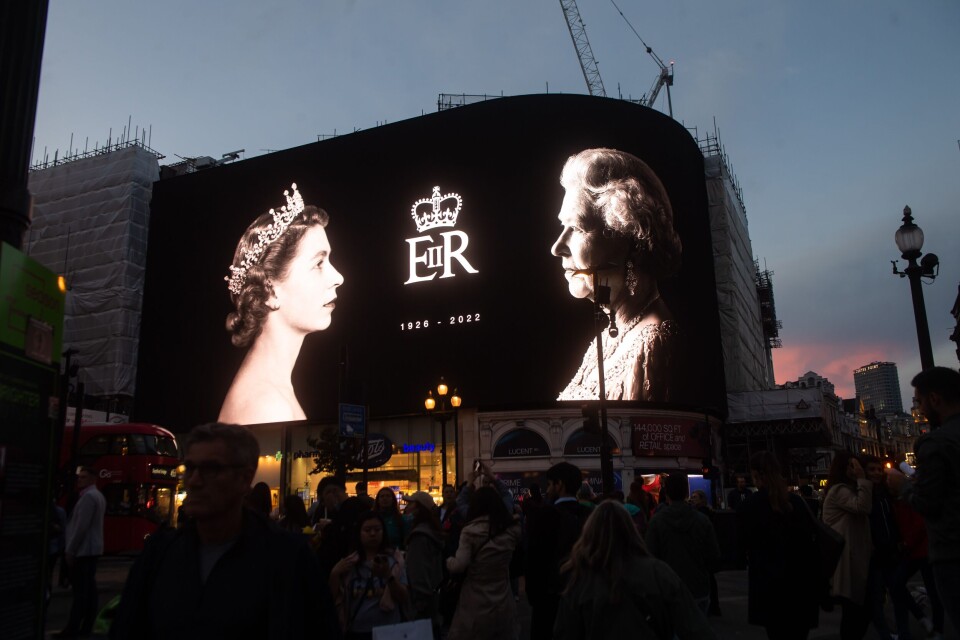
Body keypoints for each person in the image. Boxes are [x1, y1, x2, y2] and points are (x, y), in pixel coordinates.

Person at [110, 423, 338, 639]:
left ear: (245, 478)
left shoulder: (289, 557)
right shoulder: (158, 554)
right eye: (189, 468)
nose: (194, 481)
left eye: (211, 469)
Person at [550, 147, 682, 402]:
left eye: (576, 228)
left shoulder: (653, 342)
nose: (556, 247)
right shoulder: (609, 336)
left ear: (628, 238)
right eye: (561, 226)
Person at [219, 182, 344, 424]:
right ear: (271, 291)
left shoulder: (272, 389)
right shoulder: (267, 406)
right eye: (318, 263)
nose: (338, 278)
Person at [554, 500, 716, 640]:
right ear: (631, 530)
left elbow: (565, 633)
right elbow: (695, 628)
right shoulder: (658, 572)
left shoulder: (577, 581)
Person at [887, 366, 960, 633]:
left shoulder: (936, 443)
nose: (919, 408)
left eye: (918, 401)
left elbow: (928, 504)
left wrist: (903, 486)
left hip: (952, 551)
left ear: (935, 399)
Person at [737, 451, 820, 640]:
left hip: (769, 587)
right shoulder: (798, 503)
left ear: (756, 475)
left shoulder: (748, 506)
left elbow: (741, 545)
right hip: (800, 586)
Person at [524, 462, 592, 640]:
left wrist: (534, 596)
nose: (547, 489)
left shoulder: (544, 515)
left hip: (549, 597)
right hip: (584, 594)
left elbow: (534, 558)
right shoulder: (590, 515)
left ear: (559, 484)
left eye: (549, 484)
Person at [446, 485, 522, 640]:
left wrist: (448, 560)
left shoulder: (470, 531)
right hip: (503, 591)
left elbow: (459, 565)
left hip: (476, 594)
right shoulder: (511, 529)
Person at [645, 472, 721, 615]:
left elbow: (650, 557)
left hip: (668, 587)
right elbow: (714, 557)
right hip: (698, 587)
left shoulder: (656, 522)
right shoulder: (702, 520)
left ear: (666, 493)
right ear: (686, 492)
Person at [822, 450, 873, 640]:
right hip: (847, 559)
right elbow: (862, 506)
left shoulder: (848, 489)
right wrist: (863, 479)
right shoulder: (839, 491)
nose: (856, 470)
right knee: (854, 612)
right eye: (852, 465)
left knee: (859, 611)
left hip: (855, 556)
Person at [55, 465, 106, 638]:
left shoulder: (89, 498)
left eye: (83, 477)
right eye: (79, 477)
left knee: (81, 593)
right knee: (89, 592)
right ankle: (85, 627)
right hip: (92, 550)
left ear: (92, 479)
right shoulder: (97, 496)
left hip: (84, 551)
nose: (79, 480)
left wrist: (71, 550)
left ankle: (73, 629)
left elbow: (81, 527)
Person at [861, 455, 900, 640]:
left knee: (896, 594)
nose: (877, 473)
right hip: (875, 556)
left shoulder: (884, 493)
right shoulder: (866, 494)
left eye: (878, 469)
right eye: (872, 469)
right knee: (877, 599)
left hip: (891, 551)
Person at [402, 491, 444, 635]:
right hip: (432, 595)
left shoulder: (419, 536)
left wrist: (419, 601)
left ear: (419, 509)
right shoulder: (430, 531)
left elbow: (418, 571)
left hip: (421, 601)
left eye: (410, 504)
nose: (406, 507)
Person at [315, 475, 371, 581]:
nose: (324, 504)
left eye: (324, 498)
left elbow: (343, 538)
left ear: (333, 492)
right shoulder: (339, 511)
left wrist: (327, 528)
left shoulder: (351, 509)